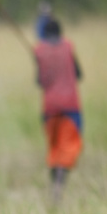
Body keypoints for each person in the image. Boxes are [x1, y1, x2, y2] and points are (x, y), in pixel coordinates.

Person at [34, 18, 83, 202]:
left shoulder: (39, 51)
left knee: (54, 148)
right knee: (67, 148)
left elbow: (40, 81)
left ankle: (55, 187)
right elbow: (78, 74)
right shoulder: (68, 47)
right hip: (70, 106)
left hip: (50, 108)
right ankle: (58, 189)